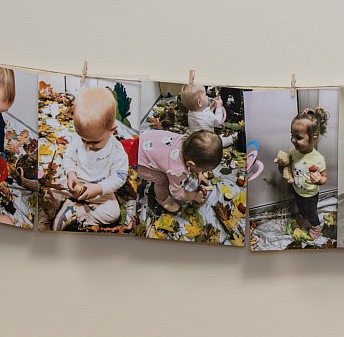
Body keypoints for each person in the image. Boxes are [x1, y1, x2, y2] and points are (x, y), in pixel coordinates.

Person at [53, 86, 129, 231]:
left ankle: (77, 213)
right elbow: (69, 156)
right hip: (76, 183)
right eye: (84, 139)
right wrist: (71, 174)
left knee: (113, 214)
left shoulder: (117, 151)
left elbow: (119, 177)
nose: (87, 145)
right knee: (52, 189)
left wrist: (99, 189)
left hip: (99, 192)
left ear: (111, 130)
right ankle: (58, 206)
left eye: (94, 142)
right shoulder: (80, 139)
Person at [136, 128, 223, 217]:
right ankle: (163, 200)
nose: (203, 171)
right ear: (190, 164)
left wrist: (199, 173)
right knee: (162, 179)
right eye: (202, 169)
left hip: (140, 137)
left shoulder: (186, 141)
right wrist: (195, 196)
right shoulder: (177, 171)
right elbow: (178, 193)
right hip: (134, 161)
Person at [277, 107, 329, 242]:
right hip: (297, 189)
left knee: (311, 213)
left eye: (298, 137)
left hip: (310, 195)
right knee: (300, 207)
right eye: (292, 135)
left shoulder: (318, 159)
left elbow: (324, 177)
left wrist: (319, 180)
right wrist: (282, 166)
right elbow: (288, 168)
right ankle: (302, 215)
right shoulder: (292, 152)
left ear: (313, 139)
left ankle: (316, 227)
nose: (293, 140)